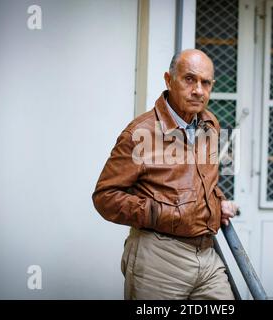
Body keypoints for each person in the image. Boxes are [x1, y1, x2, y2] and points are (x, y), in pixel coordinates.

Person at [92, 49, 239, 300]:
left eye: (205, 83)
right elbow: (104, 197)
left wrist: (218, 200)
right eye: (189, 79)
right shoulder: (141, 132)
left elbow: (205, 178)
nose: (198, 90)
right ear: (169, 80)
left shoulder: (211, 124)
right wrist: (160, 212)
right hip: (159, 255)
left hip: (207, 252)